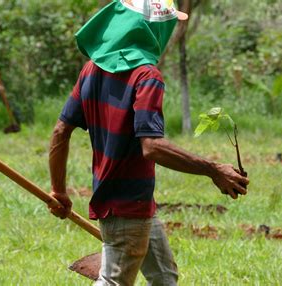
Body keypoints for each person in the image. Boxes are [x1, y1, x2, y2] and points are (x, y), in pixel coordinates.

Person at [48, 1, 249, 285]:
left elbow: (60, 131)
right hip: (127, 208)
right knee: (113, 281)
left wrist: (58, 190)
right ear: (153, 28)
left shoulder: (90, 70)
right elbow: (151, 146)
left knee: (165, 277)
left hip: (134, 204)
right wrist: (213, 169)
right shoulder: (147, 77)